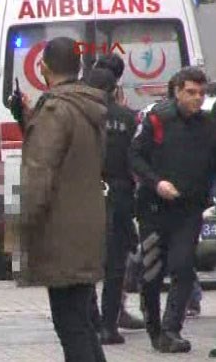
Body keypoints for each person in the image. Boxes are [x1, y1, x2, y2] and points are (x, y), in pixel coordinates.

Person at [18, 37, 107, 362]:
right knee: (81, 322)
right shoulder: (89, 106)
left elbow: (39, 173)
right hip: (88, 222)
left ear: (44, 67)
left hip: (60, 230)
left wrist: (22, 225)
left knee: (70, 324)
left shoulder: (55, 110)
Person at [130, 66, 214, 354]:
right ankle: (153, 325)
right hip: (154, 208)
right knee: (152, 271)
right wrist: (156, 183)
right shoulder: (157, 119)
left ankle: (171, 329)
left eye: (201, 94)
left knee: (183, 267)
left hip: (189, 210)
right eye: (190, 92)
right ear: (177, 91)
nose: (196, 99)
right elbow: (135, 156)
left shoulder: (207, 124)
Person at [84, 68, 144, 345]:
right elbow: (138, 160)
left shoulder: (78, 117)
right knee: (115, 265)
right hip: (119, 195)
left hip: (83, 196)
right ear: (114, 90)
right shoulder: (128, 118)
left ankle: (91, 320)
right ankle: (109, 326)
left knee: (85, 264)